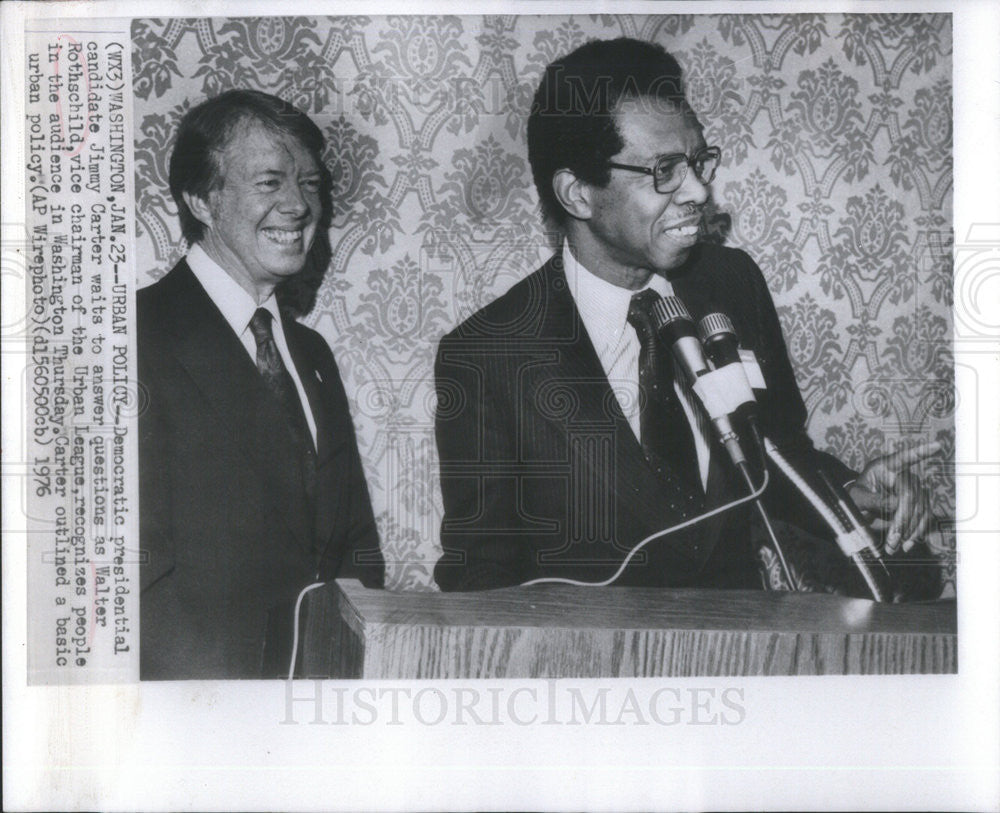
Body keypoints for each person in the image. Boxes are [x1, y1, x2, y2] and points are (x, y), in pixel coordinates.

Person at [433, 38, 939, 594]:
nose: (698, 189)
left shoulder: (731, 283)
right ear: (577, 194)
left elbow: (777, 453)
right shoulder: (490, 352)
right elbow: (479, 574)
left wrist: (852, 493)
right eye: (664, 170)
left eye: (698, 162)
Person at [138, 90, 383, 680]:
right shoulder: (130, 339)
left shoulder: (313, 354)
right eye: (270, 183)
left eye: (311, 183)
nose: (299, 205)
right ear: (202, 199)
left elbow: (357, 551)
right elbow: (131, 574)